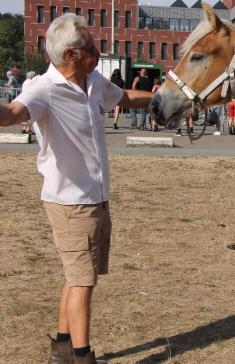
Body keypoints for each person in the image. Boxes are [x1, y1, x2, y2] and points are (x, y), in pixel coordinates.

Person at [0, 14, 152, 363]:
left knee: (76, 278)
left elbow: (125, 97)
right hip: (70, 203)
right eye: (90, 47)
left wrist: (162, 101)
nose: (98, 52)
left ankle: (62, 350)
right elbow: (12, 113)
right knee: (83, 283)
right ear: (70, 54)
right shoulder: (44, 89)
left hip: (95, 198)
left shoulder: (94, 80)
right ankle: (82, 357)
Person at [20, 71, 37, 135]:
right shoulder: (31, 82)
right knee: (29, 114)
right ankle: (28, 129)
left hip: (23, 99)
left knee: (24, 114)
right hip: (29, 99)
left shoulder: (25, 82)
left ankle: (24, 128)